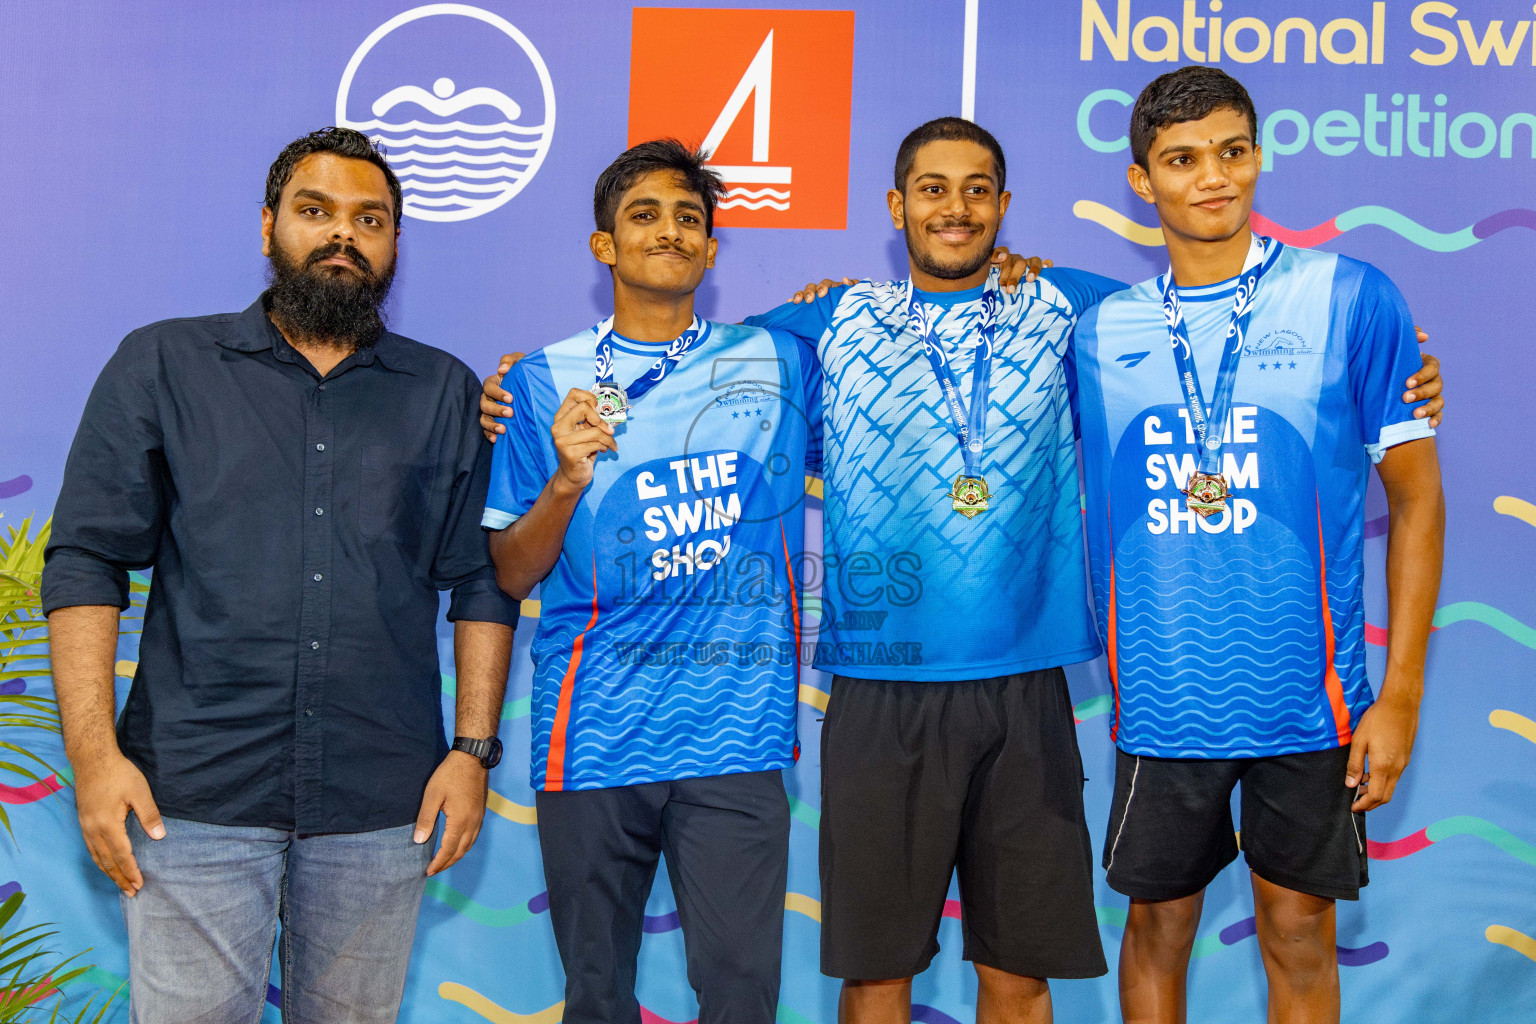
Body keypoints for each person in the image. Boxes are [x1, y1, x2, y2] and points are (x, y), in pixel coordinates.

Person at [480, 121, 1445, 1024]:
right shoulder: (822, 328)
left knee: (1018, 977)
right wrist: (522, 390)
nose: (957, 208)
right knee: (877, 975)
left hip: (1027, 695)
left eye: (978, 190)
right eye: (932, 189)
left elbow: (1199, 321)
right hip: (878, 688)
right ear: (895, 209)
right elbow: (679, 355)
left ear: (1004, 204)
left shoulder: (1078, 309)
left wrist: (1398, 369)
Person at [44, 127, 516, 1023]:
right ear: (269, 229)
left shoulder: (445, 393)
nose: (343, 235)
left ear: (392, 246)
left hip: (384, 804)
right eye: (316, 212)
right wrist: (95, 757)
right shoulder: (163, 364)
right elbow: (87, 558)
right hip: (192, 796)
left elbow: (482, 582)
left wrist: (473, 749)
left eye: (368, 219)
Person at [1070, 66, 1444, 1024]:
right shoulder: (1097, 331)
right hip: (1164, 701)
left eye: (1233, 152)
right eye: (1182, 159)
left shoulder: (1353, 298)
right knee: (1156, 938)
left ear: (1258, 156)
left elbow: (1417, 501)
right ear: (1141, 180)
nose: (1214, 178)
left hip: (1310, 707)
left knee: (1298, 934)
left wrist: (1397, 697)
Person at [480, 140, 819, 1024]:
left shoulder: (783, 359)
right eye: (645, 214)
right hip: (589, 738)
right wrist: (563, 481)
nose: (670, 231)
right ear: (604, 246)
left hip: (736, 740)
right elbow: (512, 573)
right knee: (596, 998)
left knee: (742, 995)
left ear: (711, 251)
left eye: (690, 218)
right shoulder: (543, 381)